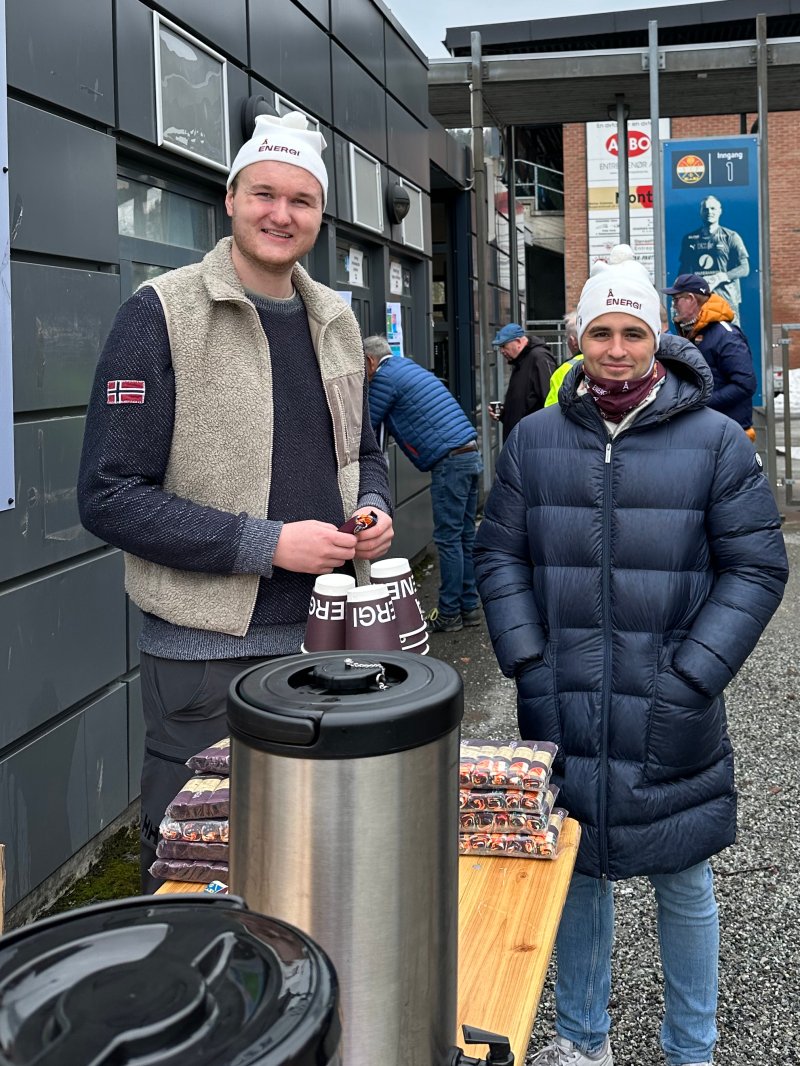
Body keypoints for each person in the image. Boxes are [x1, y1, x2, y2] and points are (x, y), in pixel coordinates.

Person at [474, 246, 788, 1066]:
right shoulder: (536, 438)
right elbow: (499, 554)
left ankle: (692, 1047)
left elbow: (756, 567)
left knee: (684, 876)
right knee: (576, 869)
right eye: (601, 332)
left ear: (659, 339)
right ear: (578, 336)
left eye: (633, 333)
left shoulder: (716, 441)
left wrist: (696, 672)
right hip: (562, 696)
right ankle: (582, 1040)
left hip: (671, 701)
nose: (615, 349)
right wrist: (526, 659)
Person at [78, 111, 394, 891]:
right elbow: (109, 495)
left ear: (320, 214)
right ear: (231, 198)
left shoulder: (336, 321)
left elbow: (362, 450)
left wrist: (376, 504)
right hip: (208, 659)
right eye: (264, 194)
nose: (280, 215)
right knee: (198, 870)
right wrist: (266, 544)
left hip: (331, 644)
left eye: (301, 200)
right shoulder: (161, 314)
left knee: (322, 865)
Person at [364, 335, 482, 634]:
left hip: (450, 463)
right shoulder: (409, 368)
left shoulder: (384, 379)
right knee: (464, 537)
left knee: (448, 540)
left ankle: (449, 614)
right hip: (469, 454)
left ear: (369, 361)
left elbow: (367, 428)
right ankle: (469, 608)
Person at [664, 271, 757, 440]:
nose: (674, 305)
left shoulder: (726, 335)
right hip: (707, 430)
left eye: (677, 299)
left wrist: (701, 402)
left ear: (691, 299)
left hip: (730, 433)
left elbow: (745, 385)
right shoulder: (691, 333)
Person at [678, 195, 749, 324]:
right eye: (706, 209)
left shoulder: (731, 236)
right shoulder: (689, 239)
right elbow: (683, 271)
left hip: (726, 301)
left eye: (713, 208)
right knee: (702, 340)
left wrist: (723, 276)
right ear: (701, 212)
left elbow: (745, 268)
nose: (709, 212)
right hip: (700, 302)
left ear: (720, 211)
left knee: (730, 339)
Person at [488, 323, 555, 439]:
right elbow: (524, 402)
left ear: (518, 342)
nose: (502, 351)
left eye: (504, 346)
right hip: (521, 438)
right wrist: (504, 413)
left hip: (533, 439)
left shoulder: (539, 358)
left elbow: (550, 400)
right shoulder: (520, 361)